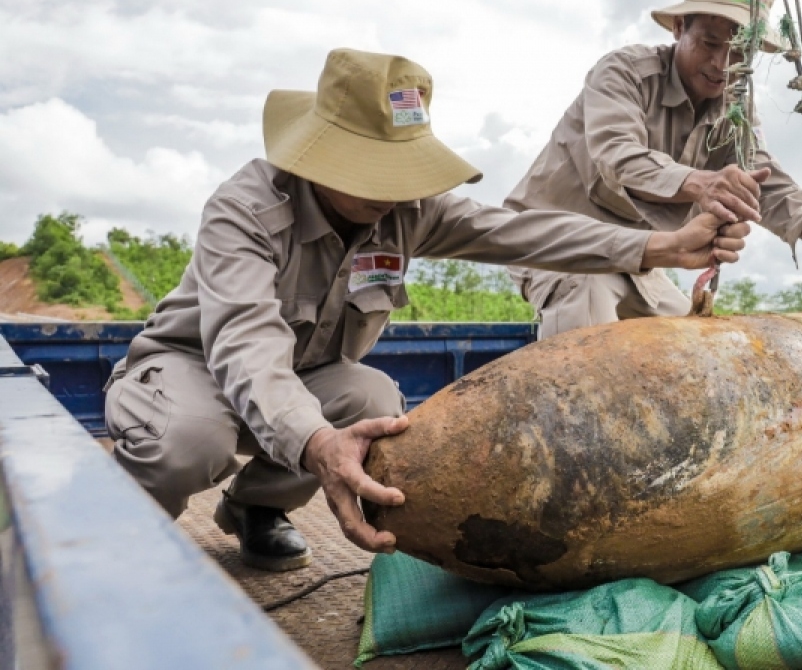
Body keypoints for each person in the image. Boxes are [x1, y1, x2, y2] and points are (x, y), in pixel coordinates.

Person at [104, 48, 750, 571]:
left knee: (375, 403)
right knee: (190, 441)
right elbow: (246, 345)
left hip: (304, 374)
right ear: (321, 154)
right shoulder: (246, 208)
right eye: (373, 170)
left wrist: (662, 245)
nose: (395, 191)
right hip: (197, 367)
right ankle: (113, 542)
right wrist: (319, 441)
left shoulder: (406, 209)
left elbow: (523, 233)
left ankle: (255, 507)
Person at [505, 0, 802, 337]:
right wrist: (701, 184)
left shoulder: (734, 109)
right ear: (678, 28)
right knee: (587, 309)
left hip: (637, 261)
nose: (722, 64)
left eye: (741, 53)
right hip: (557, 242)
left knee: (704, 344)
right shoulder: (623, 73)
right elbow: (618, 156)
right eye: (709, 43)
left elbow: (759, 175)